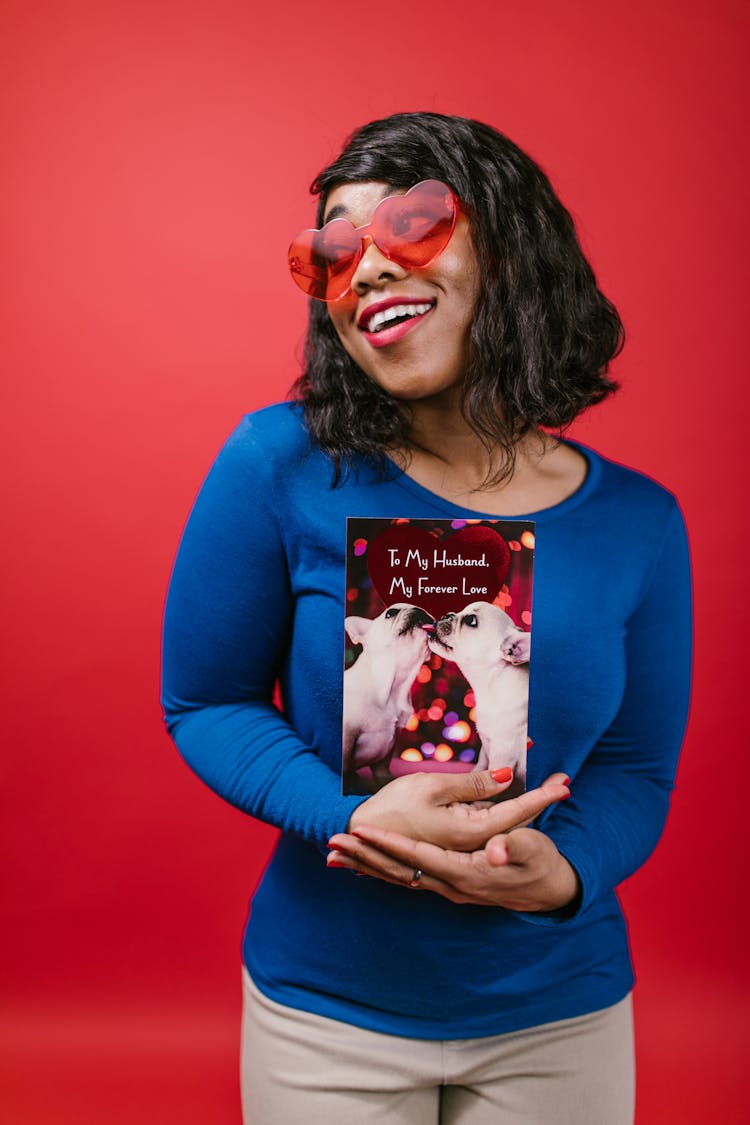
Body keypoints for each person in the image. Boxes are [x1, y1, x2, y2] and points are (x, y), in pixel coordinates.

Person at [161, 112, 692, 1124]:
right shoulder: (277, 463)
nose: (363, 272)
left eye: (411, 224)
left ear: (511, 242)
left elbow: (636, 771)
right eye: (333, 254)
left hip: (561, 1015)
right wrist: (350, 814)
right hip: (328, 1013)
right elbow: (206, 702)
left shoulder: (640, 522)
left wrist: (569, 872)